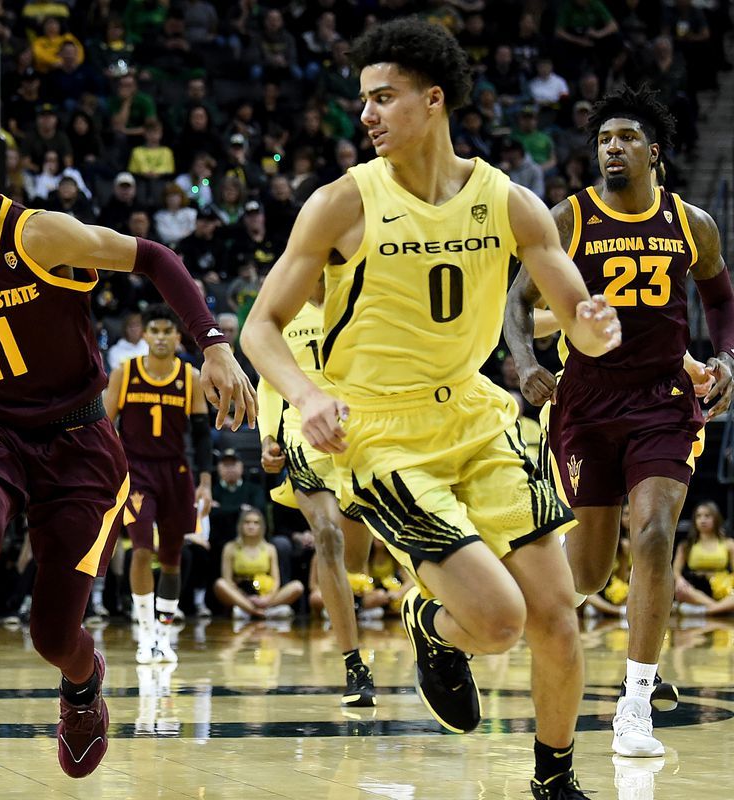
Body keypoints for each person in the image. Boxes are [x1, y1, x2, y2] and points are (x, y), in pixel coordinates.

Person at [241, 19, 621, 800]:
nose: (368, 115)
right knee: (499, 621)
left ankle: (555, 782)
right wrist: (307, 395)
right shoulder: (341, 203)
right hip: (380, 433)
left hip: (480, 418)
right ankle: (428, 625)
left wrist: (596, 328)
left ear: (434, 100)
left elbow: (579, 317)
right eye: (363, 101)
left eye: (384, 98)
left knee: (557, 612)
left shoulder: (512, 203)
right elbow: (260, 328)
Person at [0, 95, 254, 790]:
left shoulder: (39, 234)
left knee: (53, 637)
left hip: (78, 441)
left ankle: (82, 687)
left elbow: (156, 257)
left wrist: (215, 345)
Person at [504, 85, 732, 759]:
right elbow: (515, 306)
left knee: (658, 532)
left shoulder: (692, 223)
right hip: (586, 402)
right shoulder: (567, 220)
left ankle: (634, 706)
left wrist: (725, 357)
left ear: (652, 152)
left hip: (662, 398)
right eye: (604, 139)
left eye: (625, 138)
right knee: (590, 575)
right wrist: (523, 365)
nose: (611, 147)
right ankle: (480, 606)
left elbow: (722, 301)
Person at [257, 278, 377, 707]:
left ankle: (435, 630)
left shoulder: (364, 299)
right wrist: (269, 435)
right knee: (328, 536)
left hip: (364, 432)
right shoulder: (283, 311)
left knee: (362, 562)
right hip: (305, 433)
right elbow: (269, 380)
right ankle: (354, 665)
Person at [104, 304, 212, 664]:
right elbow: (105, 428)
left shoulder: (190, 376)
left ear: (178, 338)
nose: (162, 337)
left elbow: (201, 436)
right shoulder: (125, 372)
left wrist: (206, 482)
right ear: (144, 335)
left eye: (169, 331)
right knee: (141, 548)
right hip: (136, 472)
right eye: (156, 330)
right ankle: (145, 633)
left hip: (176, 472)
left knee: (171, 556)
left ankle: (164, 637)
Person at [213, 507, 302, 619]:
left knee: (297, 587)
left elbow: (276, 580)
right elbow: (228, 580)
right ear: (240, 525)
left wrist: (267, 598)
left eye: (256, 523)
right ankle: (255, 611)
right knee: (220, 584)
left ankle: (254, 610)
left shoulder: (270, 549)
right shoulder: (230, 548)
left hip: (264, 594)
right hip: (241, 593)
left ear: (262, 527)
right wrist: (244, 596)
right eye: (247, 522)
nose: (251, 526)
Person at [673, 501, 734, 615]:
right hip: (696, 586)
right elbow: (676, 570)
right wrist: (680, 580)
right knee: (682, 591)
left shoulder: (728, 543)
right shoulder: (686, 545)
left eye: (707, 516)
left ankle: (707, 610)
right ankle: (721, 609)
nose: (703, 520)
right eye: (699, 516)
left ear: (716, 518)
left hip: (723, 585)